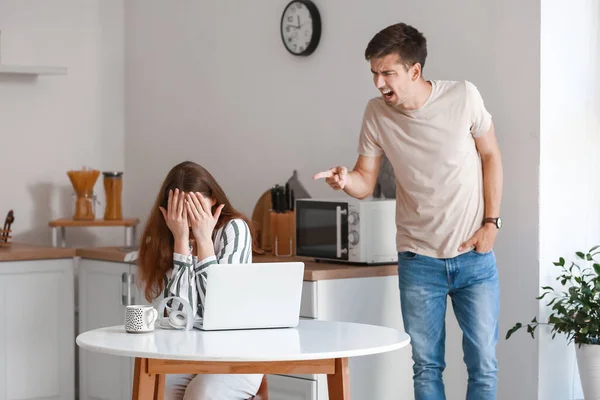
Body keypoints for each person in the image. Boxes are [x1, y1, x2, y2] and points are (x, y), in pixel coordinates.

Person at [313, 22, 503, 400]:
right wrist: (344, 180)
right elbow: (365, 183)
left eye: (387, 73)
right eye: (374, 73)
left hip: (474, 258)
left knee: (483, 364)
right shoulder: (376, 114)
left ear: (414, 71)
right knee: (426, 366)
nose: (378, 83)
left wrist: (491, 223)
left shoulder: (464, 96)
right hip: (419, 260)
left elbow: (490, 155)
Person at [138, 161, 267, 400]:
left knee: (203, 393)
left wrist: (204, 241)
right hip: (189, 352)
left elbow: (221, 311)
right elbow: (180, 316)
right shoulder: (168, 239)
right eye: (182, 211)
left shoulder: (234, 230)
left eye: (197, 209)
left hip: (238, 352)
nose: (191, 219)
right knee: (158, 388)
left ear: (215, 202)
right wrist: (181, 241)